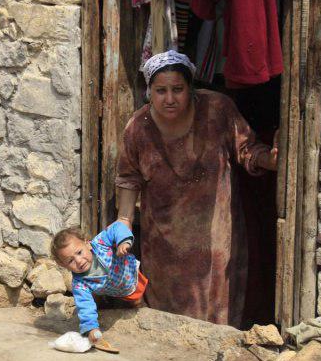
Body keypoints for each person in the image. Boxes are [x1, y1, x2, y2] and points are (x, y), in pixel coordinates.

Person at [115, 50, 277, 327]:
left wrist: (271, 161)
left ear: (191, 88)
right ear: (150, 92)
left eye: (177, 89)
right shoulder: (138, 128)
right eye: (161, 91)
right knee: (168, 310)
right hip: (164, 238)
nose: (169, 98)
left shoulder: (217, 110)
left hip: (215, 234)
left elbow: (246, 149)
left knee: (215, 303)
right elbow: (129, 178)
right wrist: (124, 220)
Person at [52, 223, 148, 342]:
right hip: (116, 289)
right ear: (64, 265)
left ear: (87, 243)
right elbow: (85, 306)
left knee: (140, 301)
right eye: (70, 260)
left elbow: (117, 227)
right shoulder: (79, 284)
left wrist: (123, 242)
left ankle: (144, 308)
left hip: (131, 271)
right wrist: (91, 328)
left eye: (79, 252)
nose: (79, 261)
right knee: (95, 300)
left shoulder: (100, 243)